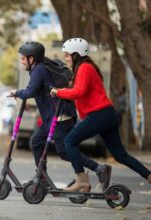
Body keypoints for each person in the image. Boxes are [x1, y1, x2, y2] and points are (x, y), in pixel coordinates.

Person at [51, 38, 151, 192]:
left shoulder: (85, 68)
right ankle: (149, 175)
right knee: (119, 155)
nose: (65, 58)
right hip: (106, 115)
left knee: (69, 141)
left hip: (99, 115)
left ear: (76, 55)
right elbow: (81, 92)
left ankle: (82, 181)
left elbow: (79, 92)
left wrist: (58, 92)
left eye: (67, 55)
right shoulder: (83, 68)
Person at [10, 41, 111, 189]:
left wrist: (16, 93)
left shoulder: (39, 70)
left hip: (60, 117)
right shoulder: (41, 66)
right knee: (37, 142)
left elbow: (30, 92)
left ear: (32, 59)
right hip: (52, 117)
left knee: (64, 151)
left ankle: (98, 168)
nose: (22, 61)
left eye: (24, 58)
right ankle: (42, 176)